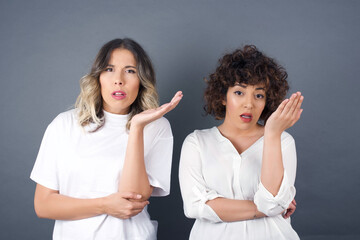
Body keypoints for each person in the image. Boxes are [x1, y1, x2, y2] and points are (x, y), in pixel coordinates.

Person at [30, 38, 182, 240]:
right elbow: (43, 205)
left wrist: (136, 127)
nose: (119, 80)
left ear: (142, 80)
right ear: (98, 77)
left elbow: (131, 200)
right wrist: (104, 205)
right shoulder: (64, 125)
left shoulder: (156, 127)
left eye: (130, 71)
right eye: (109, 69)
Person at [179, 45, 303, 240]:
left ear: (267, 101)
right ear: (222, 96)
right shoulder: (196, 143)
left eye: (259, 95)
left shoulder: (283, 141)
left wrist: (271, 134)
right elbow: (194, 207)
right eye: (239, 92)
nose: (249, 103)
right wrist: (267, 208)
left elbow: (271, 204)